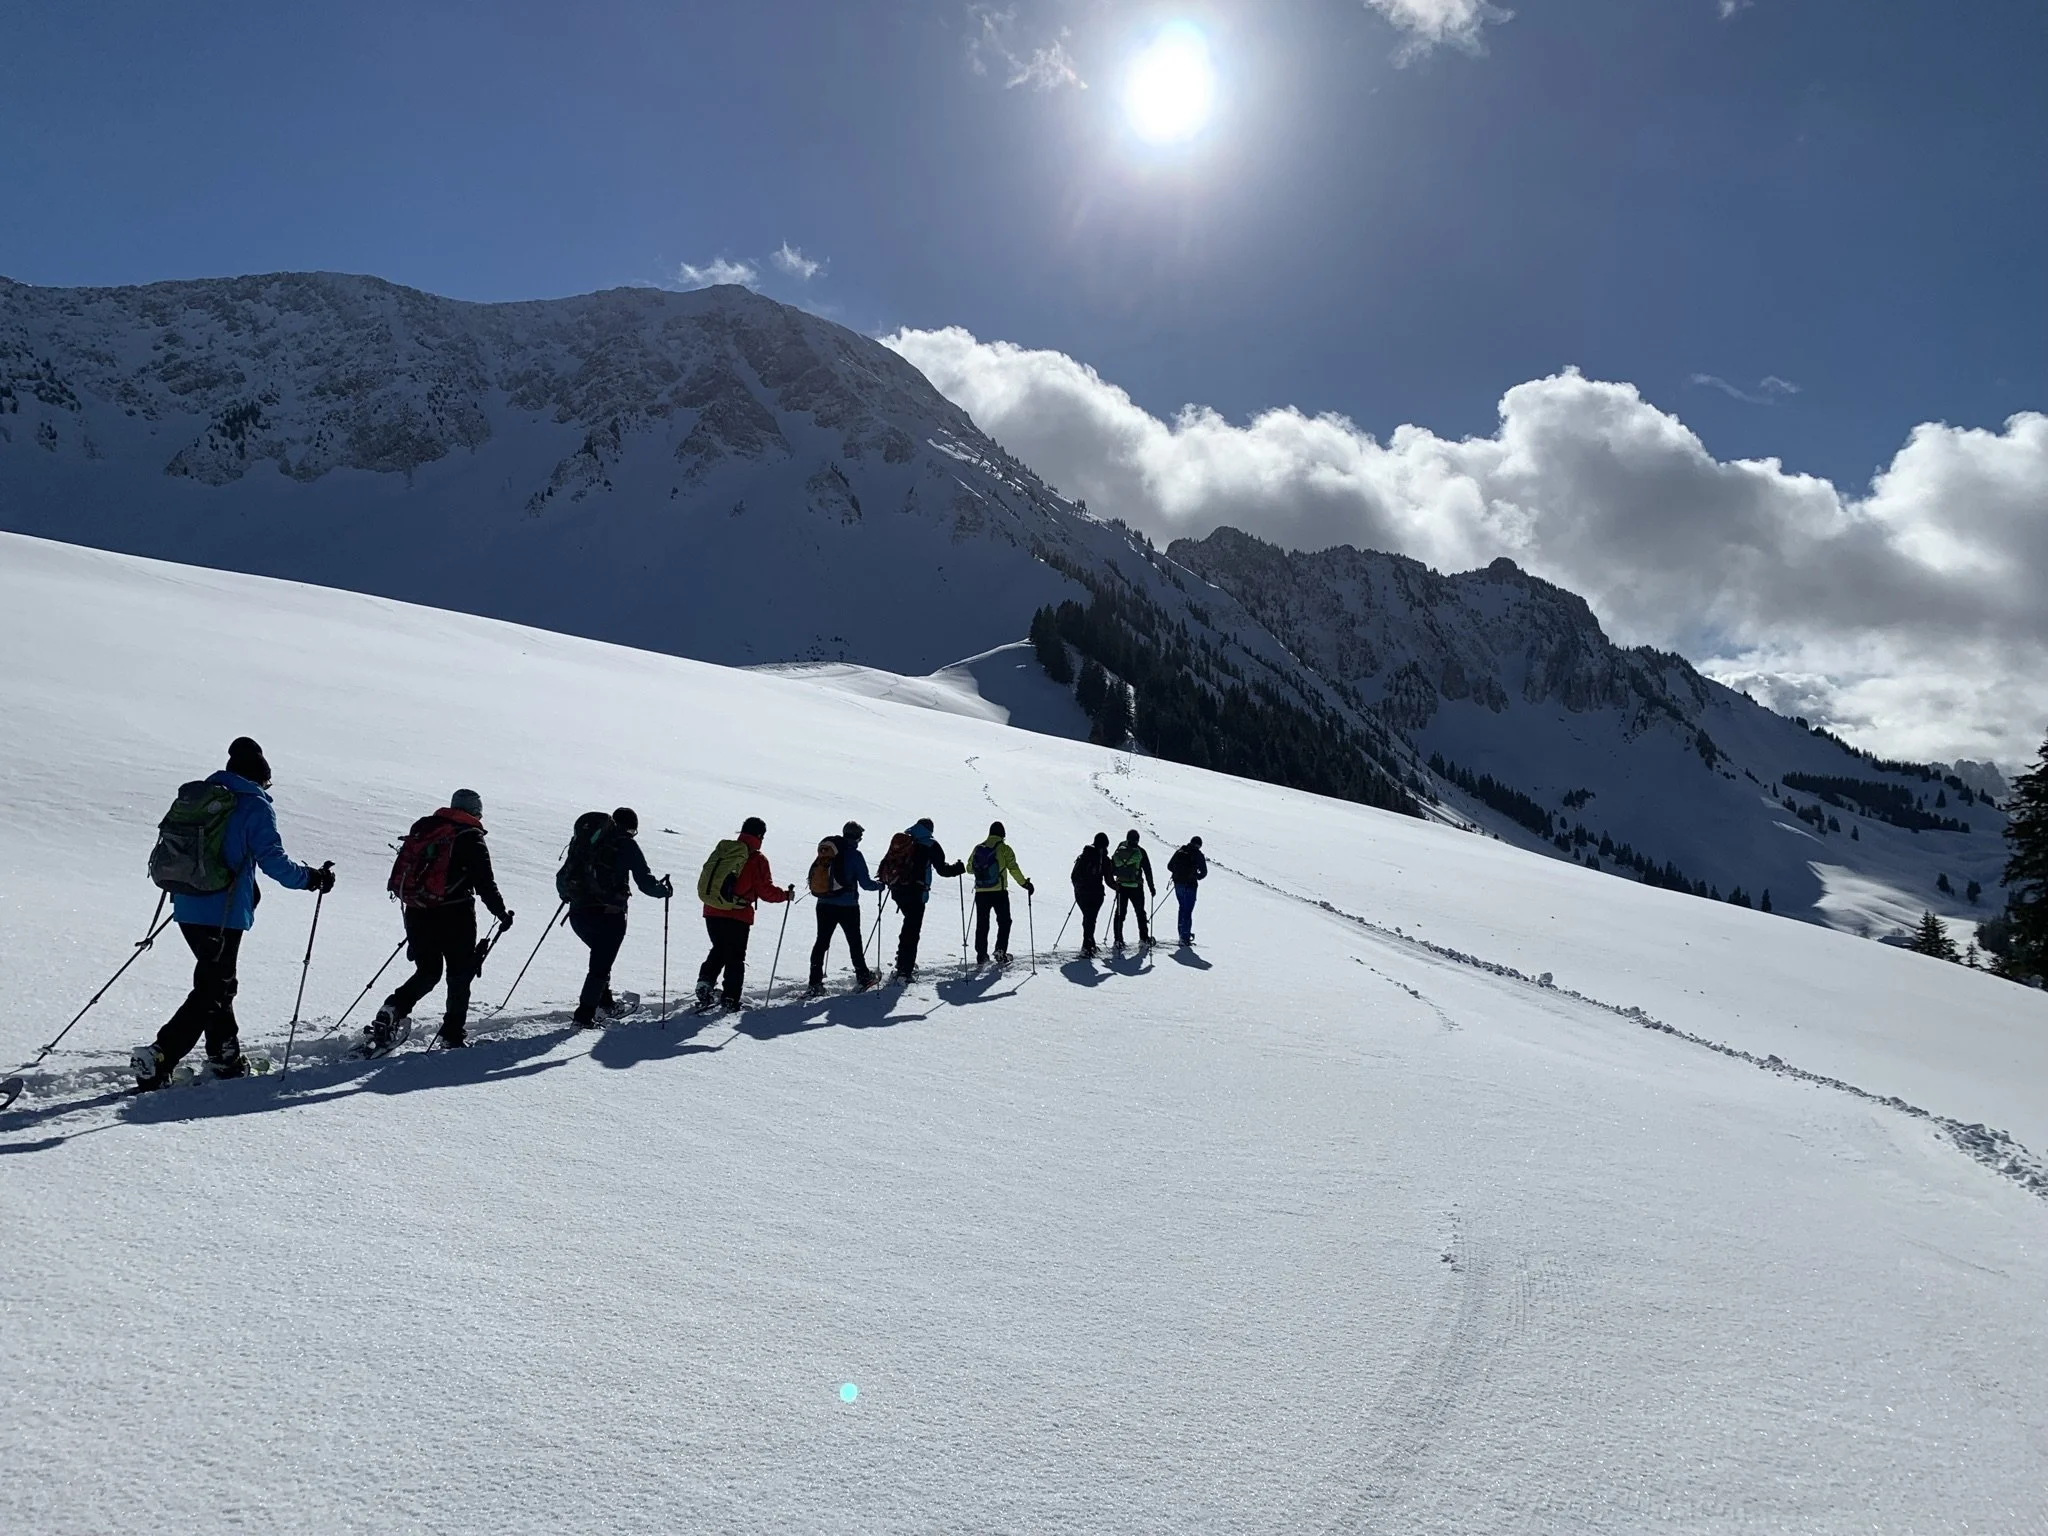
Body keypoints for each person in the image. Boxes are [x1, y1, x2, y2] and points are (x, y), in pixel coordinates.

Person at [133, 737, 333, 1090]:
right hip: (222, 911)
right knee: (215, 988)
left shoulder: (203, 798)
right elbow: (273, 860)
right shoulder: (253, 805)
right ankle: (160, 1055)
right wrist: (311, 878)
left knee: (216, 984)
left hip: (186, 902)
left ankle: (225, 1060)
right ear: (259, 777)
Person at [370, 789, 514, 1050]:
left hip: (417, 909)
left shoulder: (428, 828)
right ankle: (452, 1035)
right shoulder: (471, 836)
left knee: (428, 971)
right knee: (459, 975)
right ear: (475, 812)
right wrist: (501, 913)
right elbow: (485, 882)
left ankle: (393, 1008)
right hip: (455, 914)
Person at [559, 806, 671, 1029]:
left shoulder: (586, 844)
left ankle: (605, 1002)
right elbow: (645, 883)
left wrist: (572, 897)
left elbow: (563, 878)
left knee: (600, 959)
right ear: (631, 829)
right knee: (600, 966)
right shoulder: (625, 844)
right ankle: (584, 1016)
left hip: (578, 915)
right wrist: (664, 890)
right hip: (610, 915)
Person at [695, 816, 793, 1011]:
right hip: (737, 914)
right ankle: (730, 998)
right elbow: (765, 891)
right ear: (760, 835)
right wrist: (785, 895)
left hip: (713, 909)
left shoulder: (725, 850)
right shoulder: (757, 859)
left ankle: (705, 983)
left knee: (720, 948)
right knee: (735, 957)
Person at [881, 818, 963, 980]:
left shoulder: (904, 839)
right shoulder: (930, 844)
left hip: (897, 890)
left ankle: (902, 960)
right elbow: (943, 870)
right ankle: (905, 970)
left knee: (908, 926)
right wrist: (958, 869)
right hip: (916, 892)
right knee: (912, 930)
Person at [807, 821, 883, 996]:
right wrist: (879, 886)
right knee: (854, 941)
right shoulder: (854, 855)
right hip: (848, 906)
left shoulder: (829, 852)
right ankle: (863, 976)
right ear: (857, 837)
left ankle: (814, 982)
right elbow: (865, 884)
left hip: (824, 904)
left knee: (821, 942)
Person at [969, 821, 1035, 964]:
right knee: (1004, 922)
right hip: (999, 892)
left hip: (981, 892)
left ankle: (981, 955)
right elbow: (1013, 868)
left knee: (982, 924)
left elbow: (969, 868)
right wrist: (1025, 884)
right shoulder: (1005, 849)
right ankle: (1000, 951)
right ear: (1003, 835)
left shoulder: (978, 848)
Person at [1069, 833, 1114, 958]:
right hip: (1095, 893)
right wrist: (1117, 888)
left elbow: (1074, 875)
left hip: (1080, 892)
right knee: (1091, 919)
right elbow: (1109, 880)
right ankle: (1087, 946)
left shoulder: (1085, 855)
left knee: (1088, 918)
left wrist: (1079, 887)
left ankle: (1090, 943)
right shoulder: (1103, 858)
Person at [1110, 829, 1156, 948]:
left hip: (1121, 886)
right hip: (1136, 887)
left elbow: (1113, 866)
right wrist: (1152, 887)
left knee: (1120, 913)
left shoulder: (1120, 848)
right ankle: (1144, 938)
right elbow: (1147, 870)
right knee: (1140, 912)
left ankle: (1118, 940)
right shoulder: (1140, 852)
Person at [1166, 835, 1208, 947]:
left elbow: (1169, 866)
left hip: (1178, 884)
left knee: (1182, 907)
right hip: (1190, 885)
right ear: (1199, 845)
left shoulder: (1181, 850)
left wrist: (1179, 874)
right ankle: (1185, 937)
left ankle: (1181, 934)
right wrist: (1195, 876)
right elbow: (1204, 872)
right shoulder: (1198, 855)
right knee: (1188, 911)